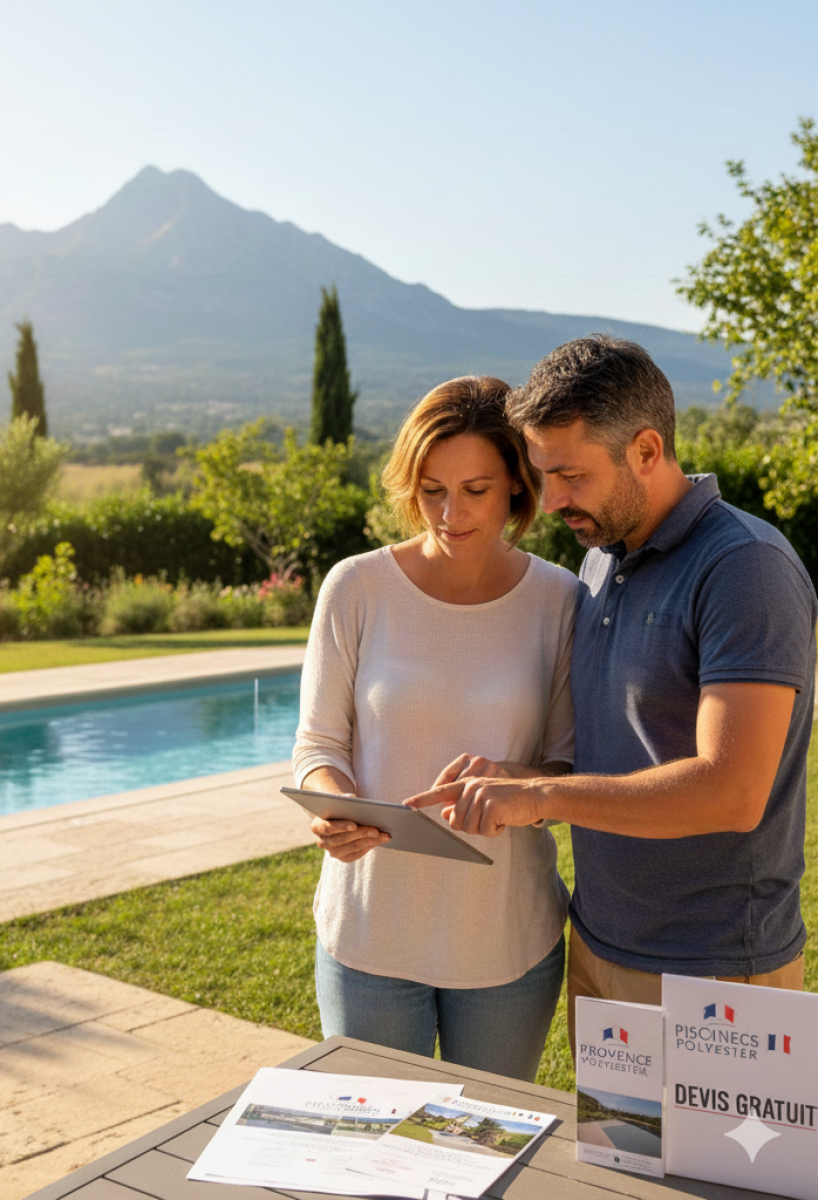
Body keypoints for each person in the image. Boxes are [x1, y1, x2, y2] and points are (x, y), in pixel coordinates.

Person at [413, 336, 815, 1041]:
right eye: (543, 473)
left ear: (648, 450)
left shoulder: (744, 570)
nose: (553, 499)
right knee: (614, 1157)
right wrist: (522, 779)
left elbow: (733, 790)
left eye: (571, 474)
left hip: (717, 971)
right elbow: (627, 751)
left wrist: (540, 797)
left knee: (708, 1161)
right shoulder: (604, 556)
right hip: (601, 949)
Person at [293, 375, 579, 1083]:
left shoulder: (561, 601)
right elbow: (318, 746)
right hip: (370, 935)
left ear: (518, 483)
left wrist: (520, 783)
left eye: (475, 490)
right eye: (431, 490)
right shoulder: (355, 588)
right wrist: (332, 802)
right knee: (372, 1168)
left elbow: (574, 767)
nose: (449, 514)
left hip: (507, 939)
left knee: (488, 1158)